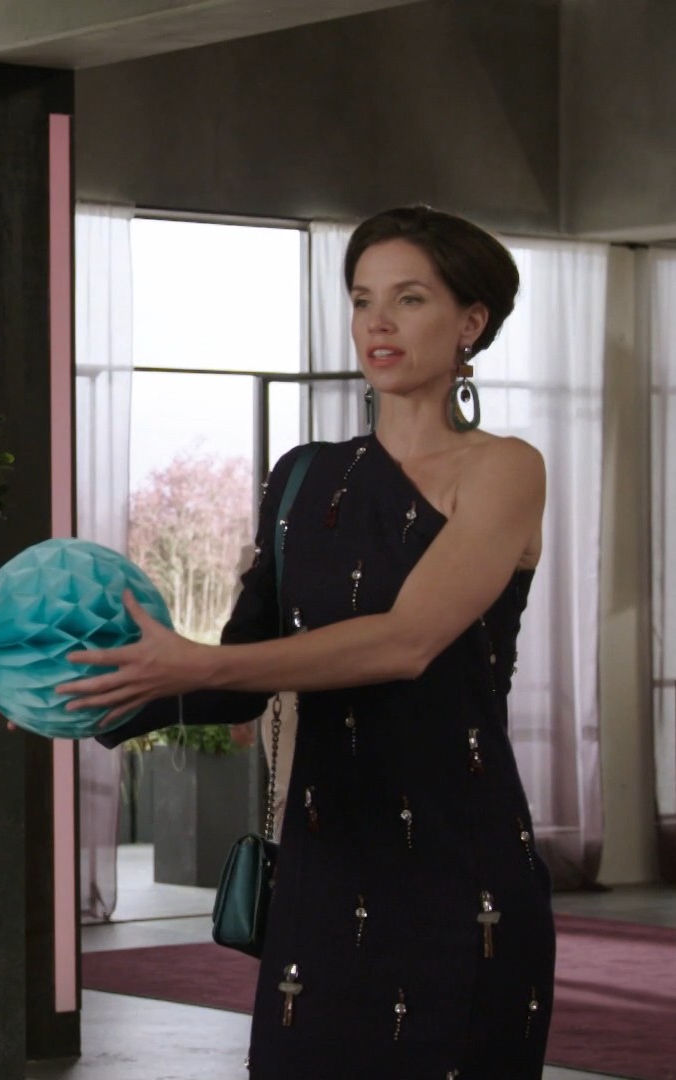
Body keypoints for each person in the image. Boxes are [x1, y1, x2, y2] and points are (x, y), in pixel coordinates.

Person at [56, 206, 555, 1075]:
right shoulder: (302, 476)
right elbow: (239, 673)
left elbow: (406, 642)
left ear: (471, 322)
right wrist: (76, 692)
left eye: (409, 299)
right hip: (324, 870)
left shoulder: (504, 469)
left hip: (460, 873)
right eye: (363, 300)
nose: (378, 323)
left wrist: (195, 660)